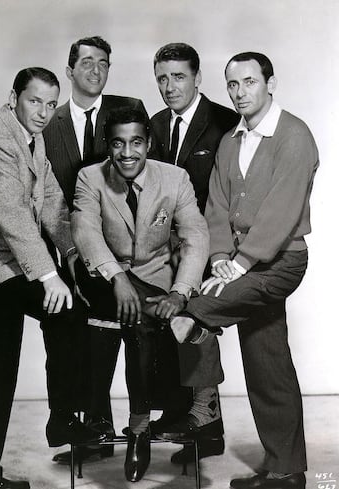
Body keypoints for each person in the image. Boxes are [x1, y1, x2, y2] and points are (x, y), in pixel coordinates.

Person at [166, 52, 319, 489]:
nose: (240, 93)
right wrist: (218, 257)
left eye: (249, 82)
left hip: (280, 261)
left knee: (194, 307)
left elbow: (282, 211)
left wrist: (240, 264)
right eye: (232, 85)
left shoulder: (294, 136)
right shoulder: (232, 140)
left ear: (270, 84)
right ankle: (286, 471)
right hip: (237, 264)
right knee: (266, 363)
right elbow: (215, 204)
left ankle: (194, 329)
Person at [0, 67, 105, 489]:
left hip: (14, 259)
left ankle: (56, 422)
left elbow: (52, 199)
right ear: (14, 97)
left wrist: (72, 250)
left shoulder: (30, 138)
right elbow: (14, 219)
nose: (42, 111)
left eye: (50, 103)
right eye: (34, 100)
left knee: (61, 320)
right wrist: (48, 275)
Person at [70, 107, 216, 482]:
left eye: (136, 142)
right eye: (118, 143)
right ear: (108, 146)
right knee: (146, 316)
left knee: (141, 319)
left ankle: (139, 428)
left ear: (149, 142)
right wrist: (117, 276)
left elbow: (195, 236)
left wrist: (181, 292)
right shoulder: (90, 177)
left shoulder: (175, 179)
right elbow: (85, 232)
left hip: (155, 283)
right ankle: (144, 426)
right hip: (101, 277)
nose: (127, 153)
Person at [43, 36, 147, 465]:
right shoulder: (49, 121)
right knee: (68, 337)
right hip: (65, 248)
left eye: (103, 62)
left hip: (123, 249)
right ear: (69, 71)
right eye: (86, 62)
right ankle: (87, 430)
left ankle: (137, 430)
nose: (95, 69)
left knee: (121, 333)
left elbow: (146, 168)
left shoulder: (129, 108)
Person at [149, 42, 239, 464]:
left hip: (212, 249)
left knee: (196, 327)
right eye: (162, 78)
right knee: (169, 330)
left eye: (178, 76)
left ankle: (206, 422)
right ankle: (192, 422)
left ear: (197, 77)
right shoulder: (154, 124)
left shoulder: (225, 122)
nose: (169, 86)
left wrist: (227, 251)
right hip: (165, 251)